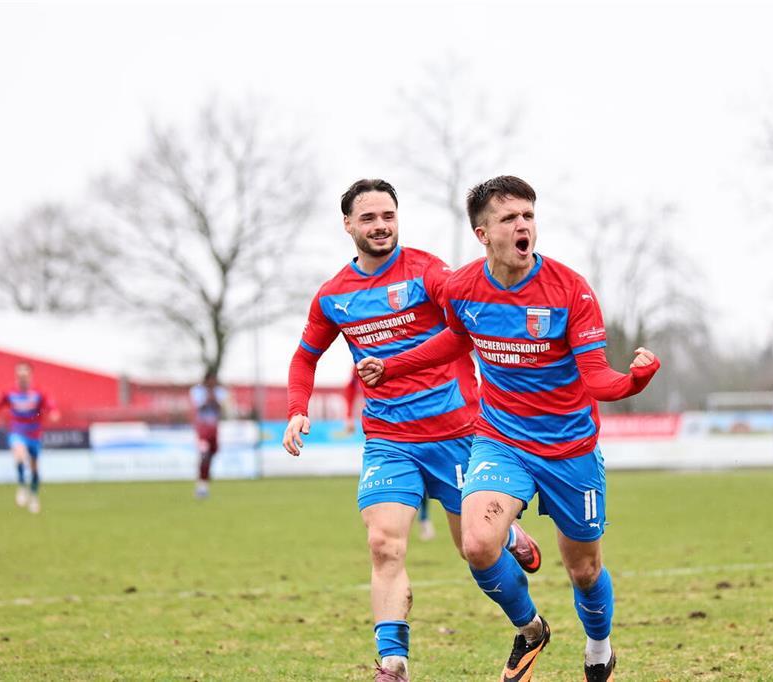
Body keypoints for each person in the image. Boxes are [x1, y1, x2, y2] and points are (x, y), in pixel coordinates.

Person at [357, 175, 660, 682]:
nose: (524, 226)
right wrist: (393, 366)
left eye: (528, 216)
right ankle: (531, 629)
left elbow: (596, 379)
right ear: (483, 233)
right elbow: (456, 338)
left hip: (570, 448)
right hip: (502, 441)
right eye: (509, 218)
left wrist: (633, 381)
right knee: (477, 545)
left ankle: (599, 646)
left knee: (584, 569)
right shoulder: (463, 287)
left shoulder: (571, 291)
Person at [283, 178, 542, 682]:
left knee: (473, 549)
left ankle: (529, 625)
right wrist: (298, 408)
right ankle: (393, 664)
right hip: (389, 440)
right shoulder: (334, 295)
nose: (381, 226)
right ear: (348, 225)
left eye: (388, 216)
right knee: (384, 544)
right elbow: (305, 356)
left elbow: (469, 317)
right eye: (369, 218)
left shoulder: (427, 272)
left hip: (458, 434)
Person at [344, 366, 435, 541]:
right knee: (389, 475)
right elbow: (351, 386)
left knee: (421, 473)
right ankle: (387, 522)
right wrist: (348, 416)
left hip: (413, 424)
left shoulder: (409, 356)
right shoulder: (363, 360)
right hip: (380, 427)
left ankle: (422, 518)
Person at [0, 362, 60, 513]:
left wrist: (54, 412)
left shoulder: (39, 392)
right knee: (19, 455)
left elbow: (50, 404)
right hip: (17, 432)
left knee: (34, 469)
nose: (22, 377)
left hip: (34, 435)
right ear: (16, 376)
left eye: (25, 374)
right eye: (20, 375)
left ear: (30, 375)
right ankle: (22, 486)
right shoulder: (9, 392)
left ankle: (34, 495)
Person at [190, 372, 228, 499]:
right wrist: (208, 398)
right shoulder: (197, 391)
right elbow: (198, 407)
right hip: (202, 429)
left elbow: (221, 408)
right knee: (204, 454)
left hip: (214, 428)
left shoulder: (219, 391)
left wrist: (214, 398)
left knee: (212, 454)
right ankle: (201, 485)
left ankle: (204, 479)